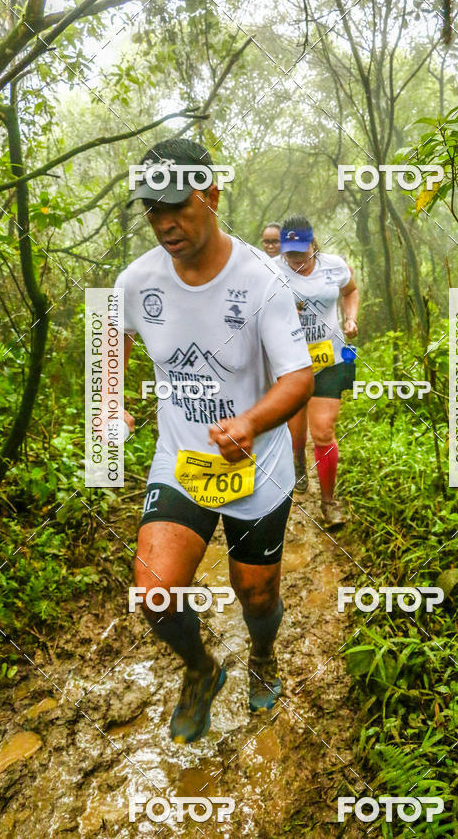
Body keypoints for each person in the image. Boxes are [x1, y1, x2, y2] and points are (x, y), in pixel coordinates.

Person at [116, 138, 313, 744]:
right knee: (153, 594)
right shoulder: (135, 282)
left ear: (213, 196)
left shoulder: (263, 280)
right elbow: (110, 348)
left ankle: (261, 654)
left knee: (256, 596)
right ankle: (201, 671)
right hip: (182, 462)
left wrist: (250, 423)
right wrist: (112, 405)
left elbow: (299, 375)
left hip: (258, 466)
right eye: (152, 209)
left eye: (176, 206)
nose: (164, 223)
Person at [275, 215, 359, 529]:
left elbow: (350, 291)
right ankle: (298, 462)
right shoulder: (272, 270)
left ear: (313, 243)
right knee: (296, 433)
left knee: (322, 430)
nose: (295, 258)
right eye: (289, 252)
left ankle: (328, 502)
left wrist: (350, 318)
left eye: (301, 250)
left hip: (329, 359)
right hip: (290, 361)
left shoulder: (334, 266)